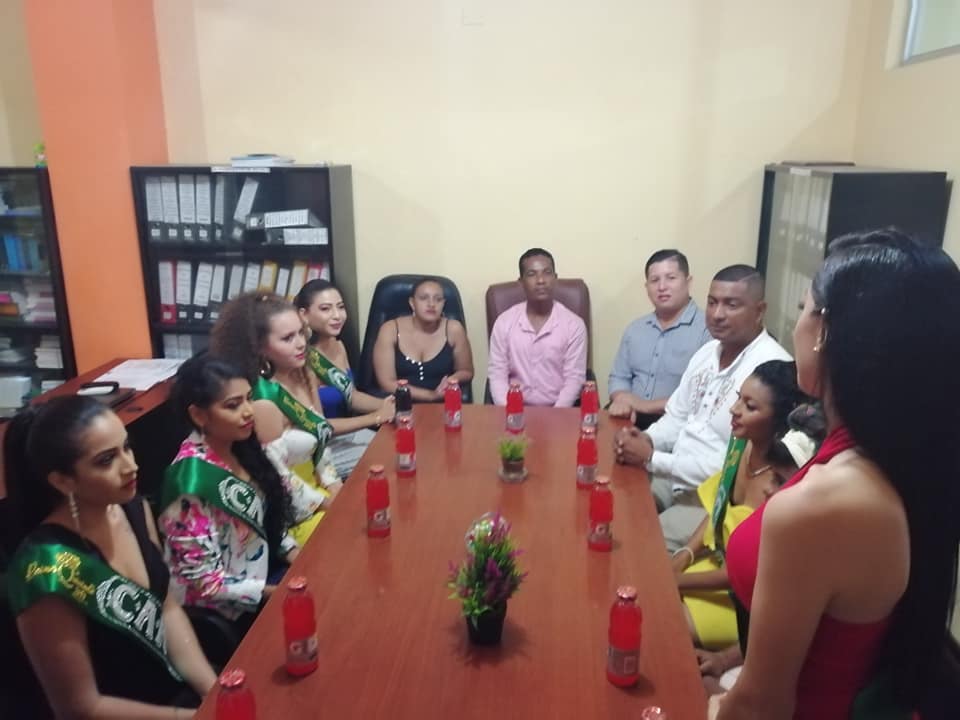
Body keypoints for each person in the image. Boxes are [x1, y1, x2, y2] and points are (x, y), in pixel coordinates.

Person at [716, 230, 960, 719]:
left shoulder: (826, 504)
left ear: (825, 331)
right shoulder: (893, 453)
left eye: (803, 308)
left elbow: (762, 704)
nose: (795, 326)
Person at [3, 396, 217, 717]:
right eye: (106, 460)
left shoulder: (133, 508)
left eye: (126, 447)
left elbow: (167, 608)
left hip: (178, 694)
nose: (131, 466)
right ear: (62, 480)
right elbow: (81, 708)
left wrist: (214, 692)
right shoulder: (45, 569)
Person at [614, 265, 791, 552]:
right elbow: (677, 417)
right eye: (712, 302)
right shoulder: (707, 352)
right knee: (613, 509)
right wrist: (646, 438)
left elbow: (736, 466)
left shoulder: (770, 371)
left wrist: (651, 458)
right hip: (671, 474)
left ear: (759, 311)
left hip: (710, 496)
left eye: (731, 305)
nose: (717, 314)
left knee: (640, 548)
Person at [159, 355, 325, 643]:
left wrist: (299, 561)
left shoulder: (243, 446)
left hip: (271, 574)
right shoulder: (190, 481)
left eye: (249, 399)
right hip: (233, 610)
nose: (248, 411)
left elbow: (270, 524)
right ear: (199, 415)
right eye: (233, 405)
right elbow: (204, 584)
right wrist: (279, 592)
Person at [671, 361, 818, 652]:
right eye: (739, 397)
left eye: (750, 406)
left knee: (662, 621)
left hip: (743, 598)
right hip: (714, 566)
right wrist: (686, 554)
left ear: (779, 420)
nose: (734, 409)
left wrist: (679, 582)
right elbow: (718, 509)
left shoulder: (784, 482)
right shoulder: (741, 444)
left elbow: (748, 573)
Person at [209, 291, 340, 546]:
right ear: (260, 347)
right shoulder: (261, 401)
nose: (300, 344)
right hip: (296, 513)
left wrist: (335, 486)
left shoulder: (303, 374)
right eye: (288, 338)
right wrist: (327, 503)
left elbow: (321, 439)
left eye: (301, 333)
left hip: (322, 491)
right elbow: (278, 477)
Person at [295, 279, 396, 476]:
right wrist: (375, 417)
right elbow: (319, 426)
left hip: (344, 435)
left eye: (340, 307)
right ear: (303, 314)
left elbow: (352, 397)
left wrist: (393, 406)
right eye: (325, 309)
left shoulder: (338, 346)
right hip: (318, 448)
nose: (337, 315)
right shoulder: (301, 360)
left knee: (399, 443)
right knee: (386, 457)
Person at [608, 249, 711, 428]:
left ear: (688, 282)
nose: (662, 287)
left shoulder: (707, 330)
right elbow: (619, 377)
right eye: (654, 280)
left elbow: (703, 394)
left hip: (679, 423)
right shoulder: (635, 329)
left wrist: (644, 406)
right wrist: (621, 399)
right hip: (630, 417)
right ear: (646, 287)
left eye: (671, 278)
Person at [487, 248, 588, 407]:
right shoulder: (504, 322)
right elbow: (497, 375)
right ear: (521, 282)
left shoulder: (574, 325)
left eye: (547, 273)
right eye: (532, 274)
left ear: (555, 279)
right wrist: (510, 412)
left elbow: (574, 379)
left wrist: (556, 415)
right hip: (514, 408)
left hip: (559, 409)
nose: (541, 280)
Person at [372, 277, 474, 402]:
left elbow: (466, 371)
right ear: (412, 303)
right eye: (424, 298)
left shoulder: (454, 329)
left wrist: (451, 381)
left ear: (443, 304)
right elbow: (387, 383)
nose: (431, 304)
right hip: (400, 403)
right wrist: (431, 395)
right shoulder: (390, 329)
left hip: (443, 403)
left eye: (438, 299)